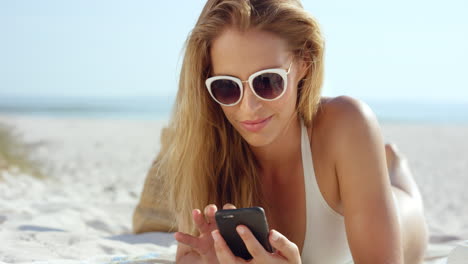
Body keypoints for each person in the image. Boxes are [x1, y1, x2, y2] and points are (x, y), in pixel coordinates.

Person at [132, 0, 429, 263]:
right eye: (227, 86)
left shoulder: (347, 124)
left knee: (404, 196)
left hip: (403, 224)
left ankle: (395, 167)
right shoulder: (205, 153)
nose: (248, 108)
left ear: (304, 63)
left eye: (267, 82)